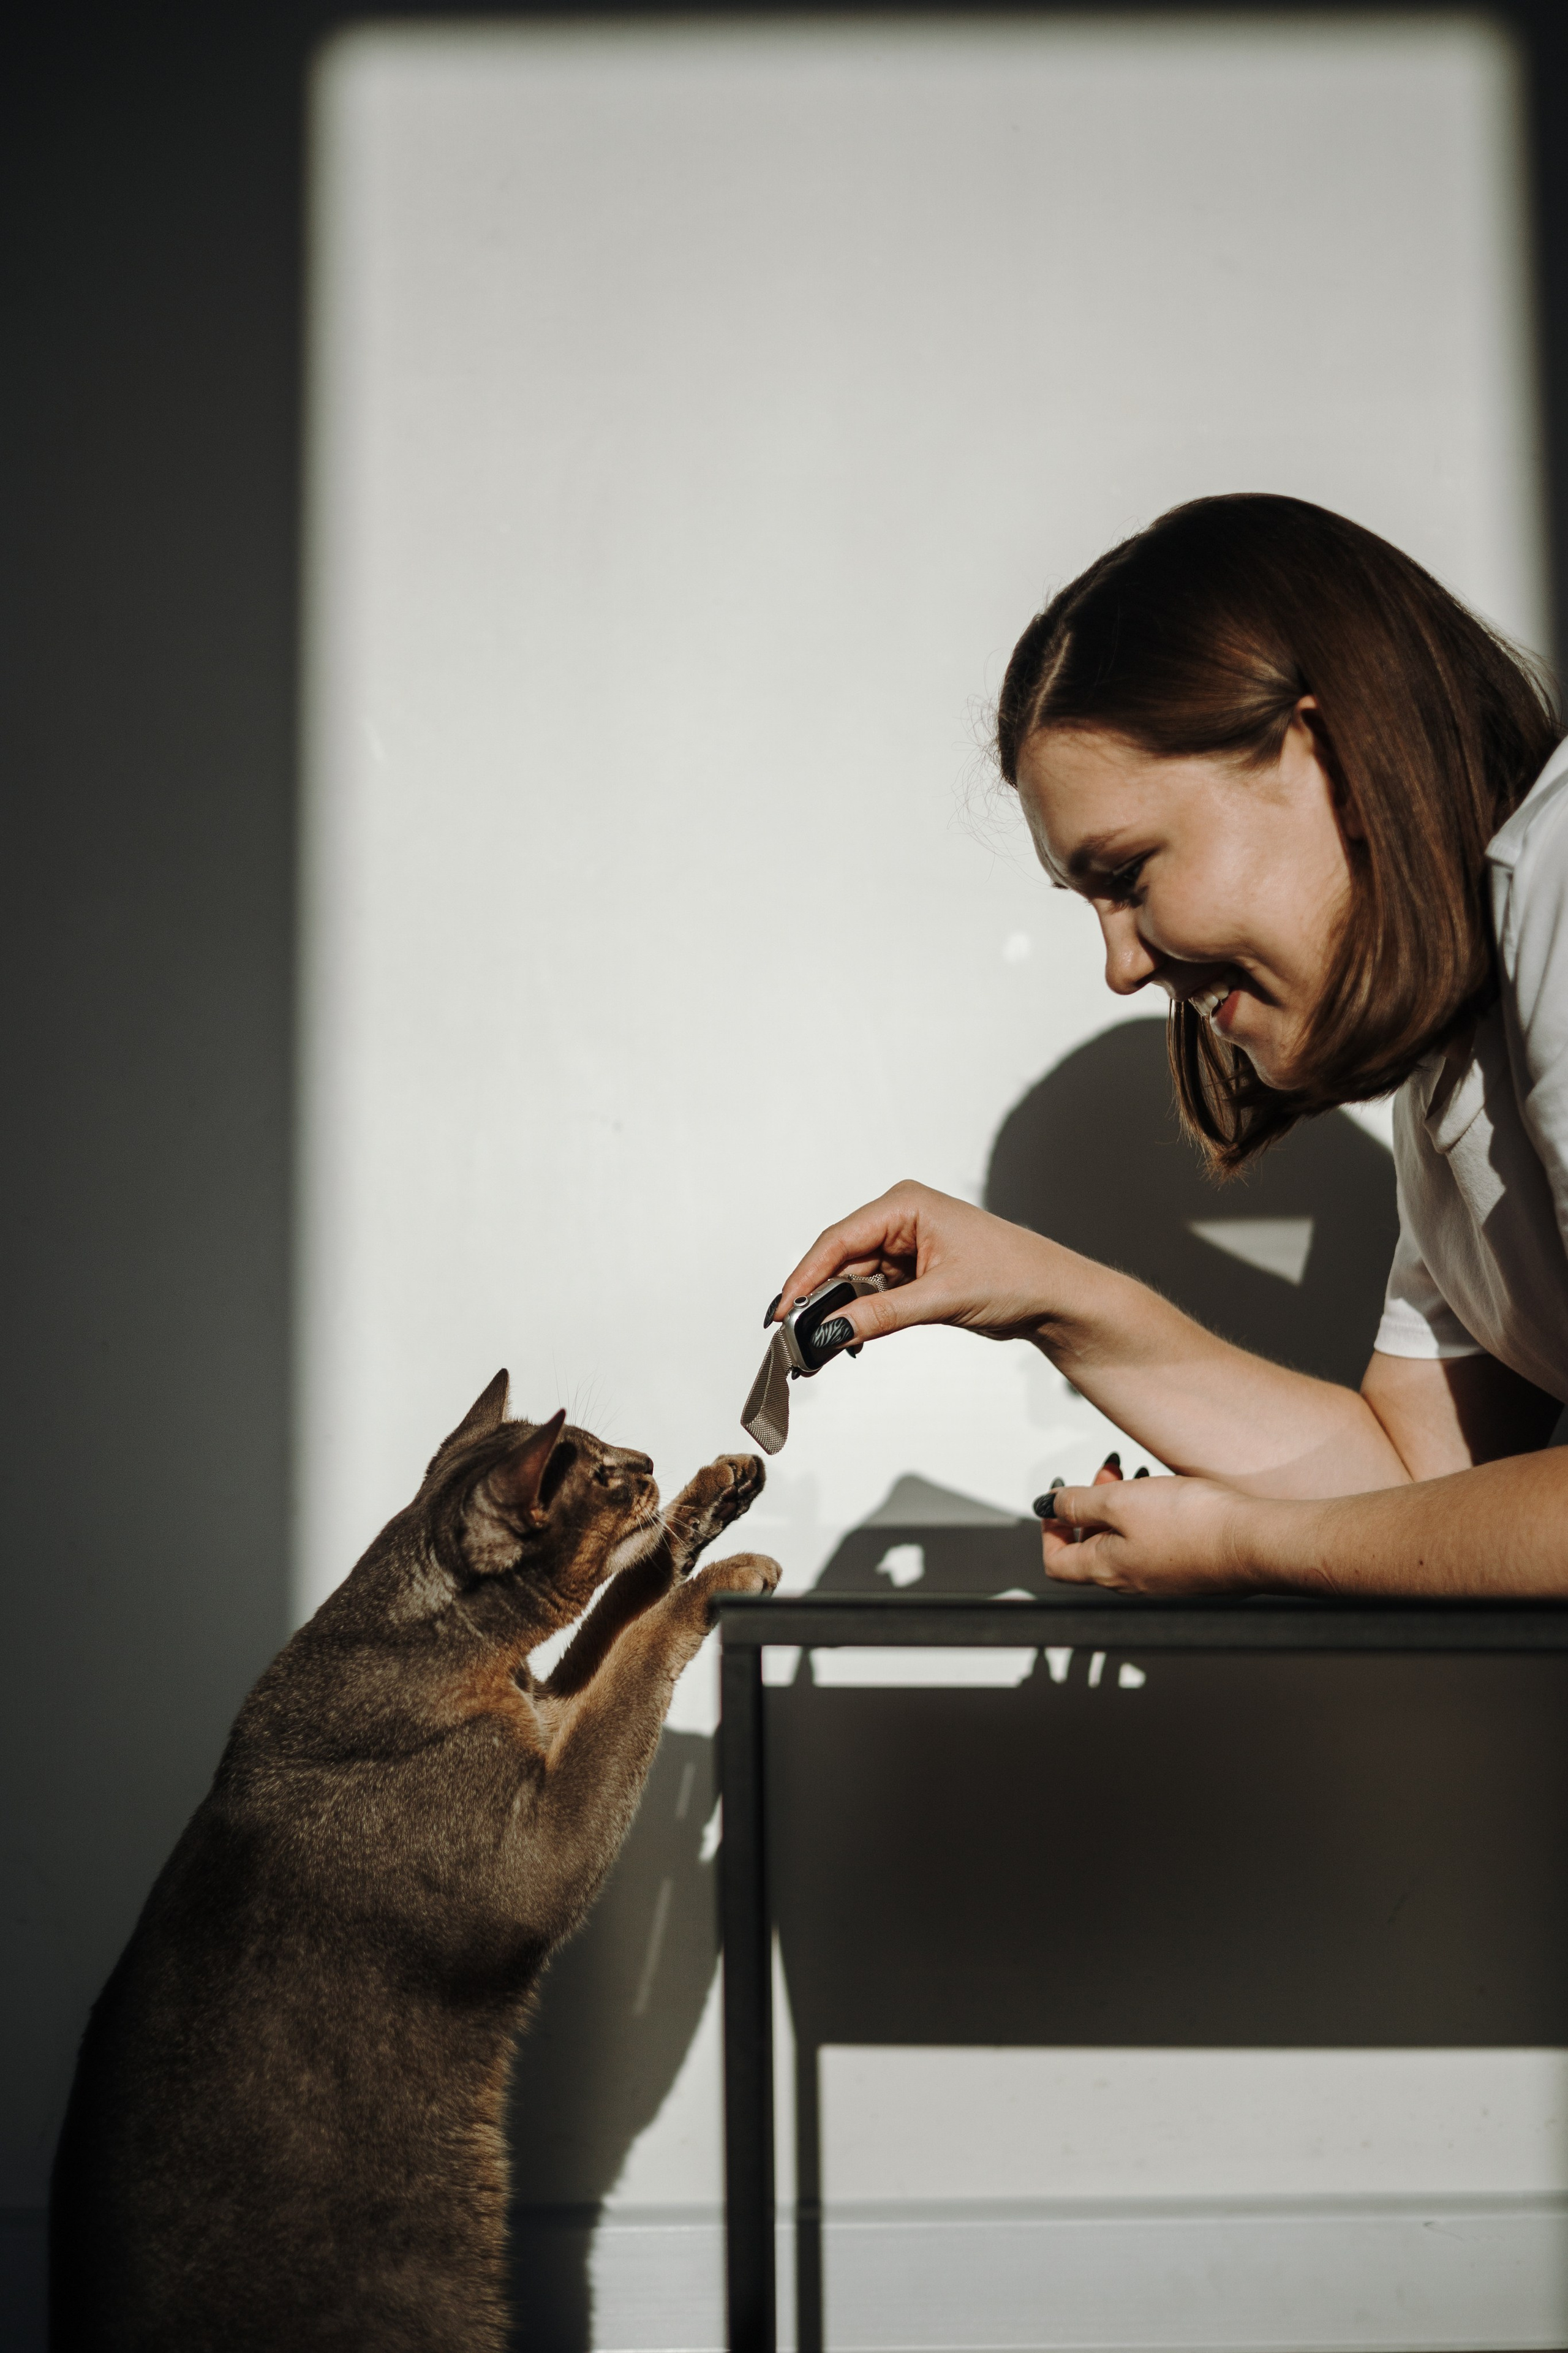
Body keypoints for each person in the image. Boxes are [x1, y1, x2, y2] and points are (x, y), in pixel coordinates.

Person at [772, 494, 1568, 1598]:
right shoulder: (1454, 1075)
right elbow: (1414, 1484)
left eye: (1130, 875)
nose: (1121, 965)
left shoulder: (1560, 874)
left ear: (1327, 758)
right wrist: (1049, 1296)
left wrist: (1241, 1545)